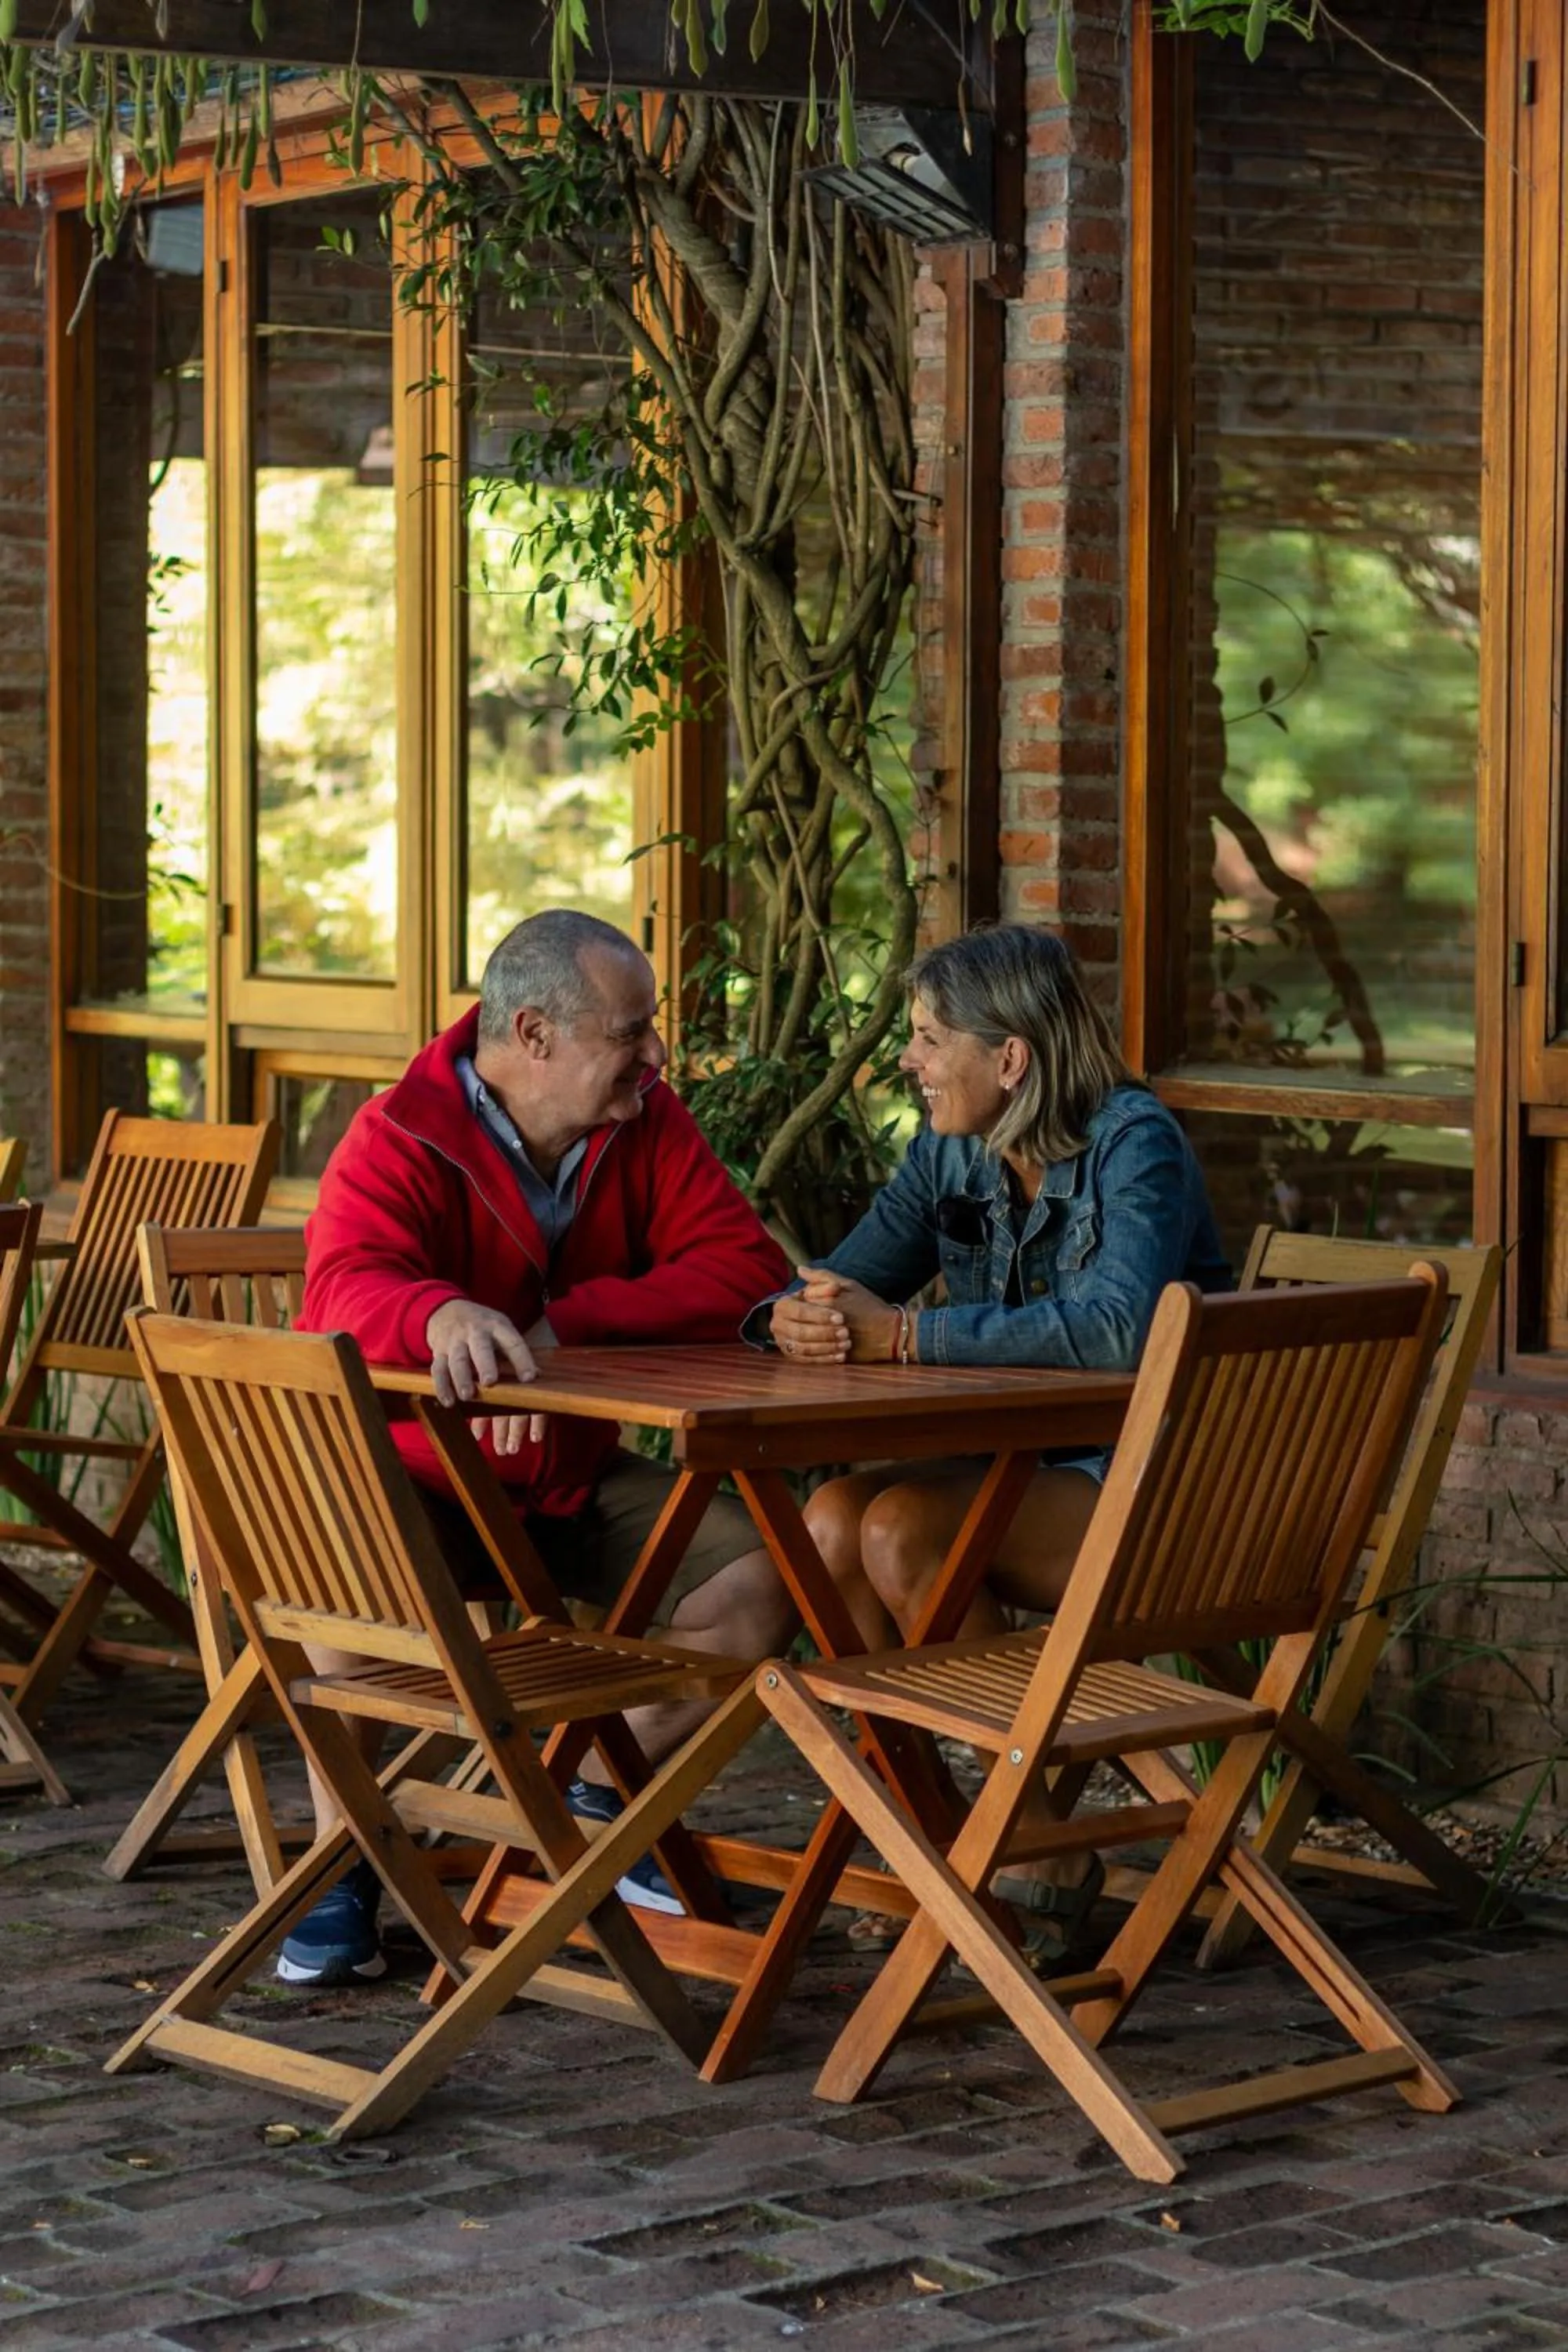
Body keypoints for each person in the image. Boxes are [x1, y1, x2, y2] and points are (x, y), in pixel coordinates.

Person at [286, 909, 796, 1985]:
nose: (656, 1055)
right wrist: (439, 1318)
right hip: (424, 1473)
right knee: (348, 1580)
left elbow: (747, 1269)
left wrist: (564, 1331)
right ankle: (340, 1864)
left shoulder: (646, 1121)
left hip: (571, 1478)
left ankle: (593, 1802)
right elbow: (340, 1288)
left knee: (760, 1579)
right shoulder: (400, 1133)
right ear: (533, 1035)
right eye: (631, 1031)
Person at [764, 922, 1230, 1955]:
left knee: (898, 1532)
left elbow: (1120, 1329)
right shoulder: (948, 1150)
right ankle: (966, 1836)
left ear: (1007, 1058)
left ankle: (1024, 1843)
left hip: (1151, 1485)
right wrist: (792, 1316)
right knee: (833, 1519)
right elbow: (846, 1280)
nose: (909, 1060)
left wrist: (913, 1334)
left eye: (930, 1039)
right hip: (1028, 1470)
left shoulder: (1132, 1141)